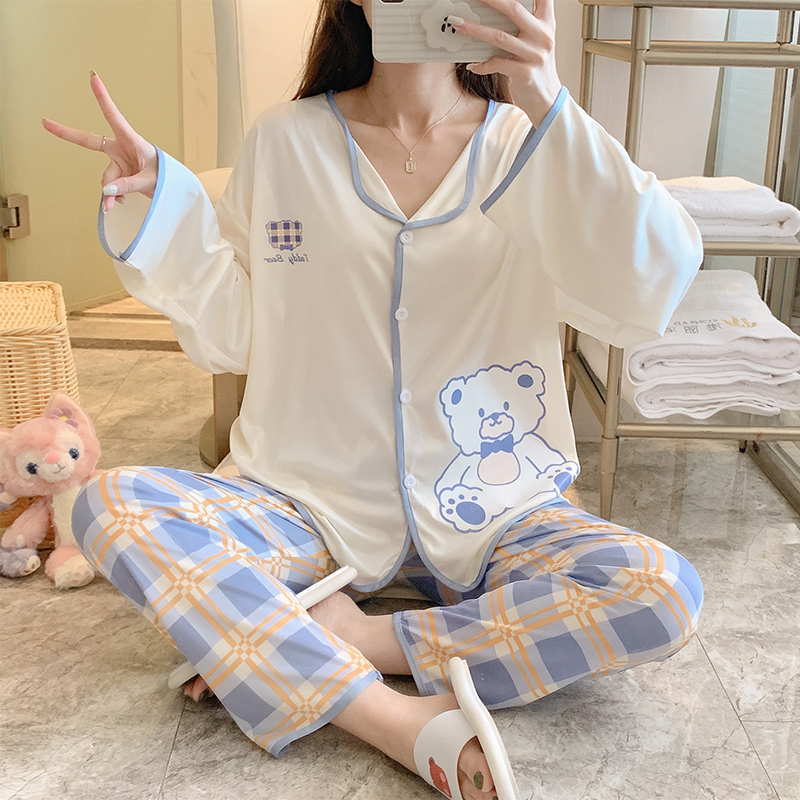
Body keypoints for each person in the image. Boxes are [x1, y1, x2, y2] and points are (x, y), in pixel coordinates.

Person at [46, 1, 705, 798]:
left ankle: (344, 640)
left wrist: (546, 99)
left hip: (494, 512)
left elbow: (646, 287)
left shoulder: (527, 141)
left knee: (661, 589)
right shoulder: (285, 141)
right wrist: (165, 214)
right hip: (309, 505)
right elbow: (236, 334)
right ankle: (392, 720)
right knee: (110, 505)